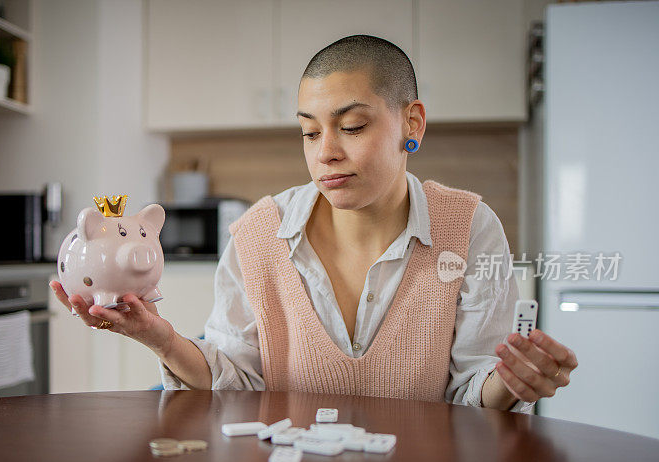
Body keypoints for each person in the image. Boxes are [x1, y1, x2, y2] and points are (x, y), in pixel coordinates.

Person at [51, 35, 577, 411]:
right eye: (308, 132)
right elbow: (235, 383)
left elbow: (473, 395)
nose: (325, 152)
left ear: (411, 123)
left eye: (351, 126)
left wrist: (513, 381)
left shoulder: (469, 227)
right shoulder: (260, 234)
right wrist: (160, 338)